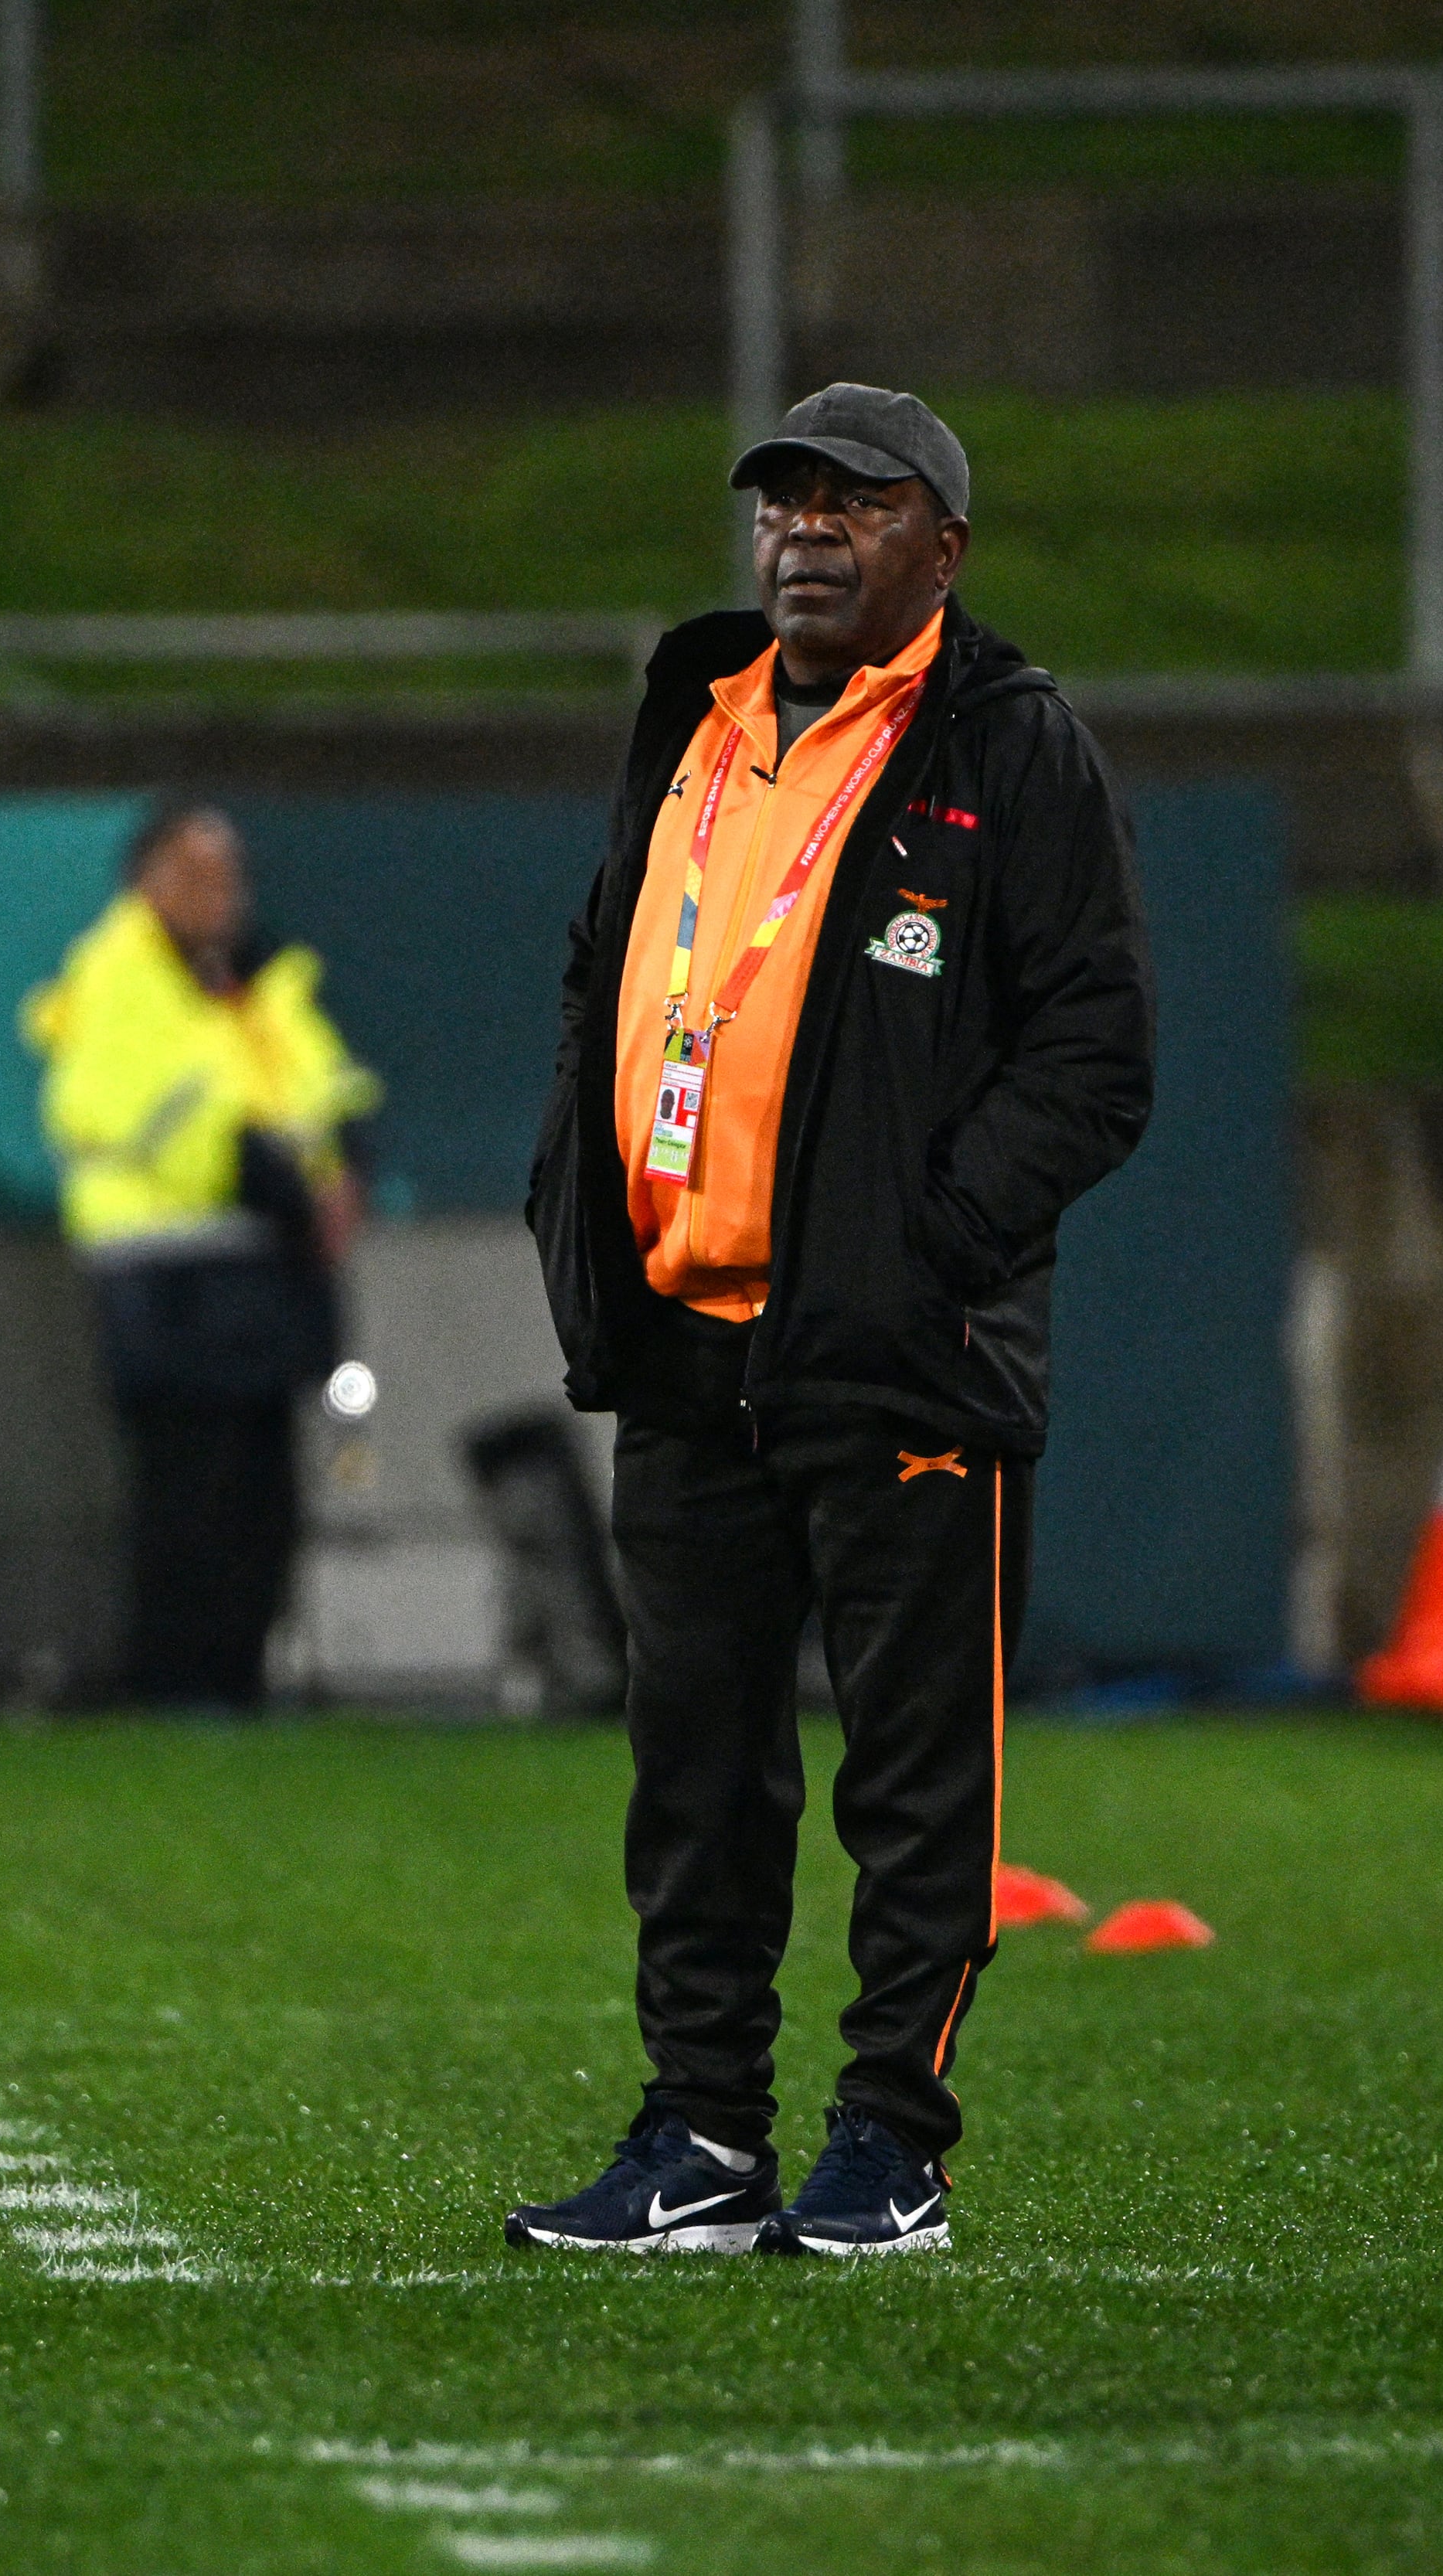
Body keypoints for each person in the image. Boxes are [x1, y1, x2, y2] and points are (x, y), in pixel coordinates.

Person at [510, 384, 1152, 2258]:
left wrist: (921, 1239)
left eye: (854, 505)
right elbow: (602, 959)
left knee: (912, 1781)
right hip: (685, 1346)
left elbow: (1097, 1058)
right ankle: (701, 2134)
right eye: (782, 500)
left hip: (898, 1352)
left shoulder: (1011, 749)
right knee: (694, 1776)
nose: (802, 531)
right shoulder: (695, 717)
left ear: (941, 552)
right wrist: (586, 1186)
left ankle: (893, 2139)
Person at [22, 801, 377, 1707]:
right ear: (146, 881)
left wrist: (340, 1168)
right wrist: (292, 1185)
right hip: (166, 1276)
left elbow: (321, 1090)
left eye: (231, 877)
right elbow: (161, 1120)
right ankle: (176, 1685)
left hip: (262, 1270)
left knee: (263, 1488)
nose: (222, 897)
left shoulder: (254, 986)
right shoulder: (116, 978)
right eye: (197, 876)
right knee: (190, 1488)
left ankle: (238, 1683)